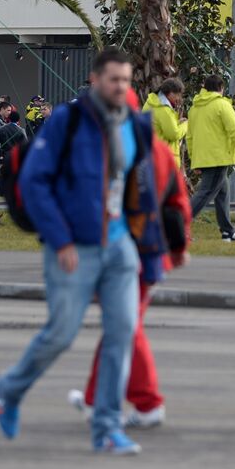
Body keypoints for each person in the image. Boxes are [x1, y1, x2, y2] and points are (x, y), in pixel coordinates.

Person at [0, 47, 182, 455]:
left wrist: (152, 255)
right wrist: (60, 239)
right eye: (113, 79)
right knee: (61, 334)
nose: (120, 87)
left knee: (122, 333)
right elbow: (35, 182)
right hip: (74, 247)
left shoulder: (137, 127)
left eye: (126, 80)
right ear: (95, 80)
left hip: (120, 248)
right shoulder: (67, 121)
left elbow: (146, 196)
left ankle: (106, 428)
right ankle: (10, 391)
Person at [69, 85, 192, 432]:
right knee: (120, 325)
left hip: (122, 254)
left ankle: (148, 402)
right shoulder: (158, 151)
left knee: (125, 327)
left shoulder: (106, 151)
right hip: (152, 254)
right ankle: (96, 397)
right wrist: (180, 249)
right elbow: (178, 203)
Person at [185, 74, 235, 241]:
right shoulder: (222, 105)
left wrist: (193, 159)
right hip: (219, 158)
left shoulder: (195, 108)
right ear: (221, 88)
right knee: (204, 194)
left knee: (222, 194)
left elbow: (189, 137)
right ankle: (177, 226)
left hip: (204, 158)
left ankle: (227, 231)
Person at [145, 78, 188, 166]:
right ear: (171, 93)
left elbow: (159, 127)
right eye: (178, 95)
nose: (179, 98)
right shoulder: (164, 109)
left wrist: (177, 123)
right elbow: (174, 134)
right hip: (164, 160)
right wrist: (186, 125)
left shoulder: (150, 104)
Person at [0, 112, 27, 196]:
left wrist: (0, 155)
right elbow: (24, 146)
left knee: (3, 176)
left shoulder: (2, 129)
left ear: (9, 119)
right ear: (18, 120)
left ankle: (1, 193)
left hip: (5, 156)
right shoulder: (21, 130)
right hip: (16, 157)